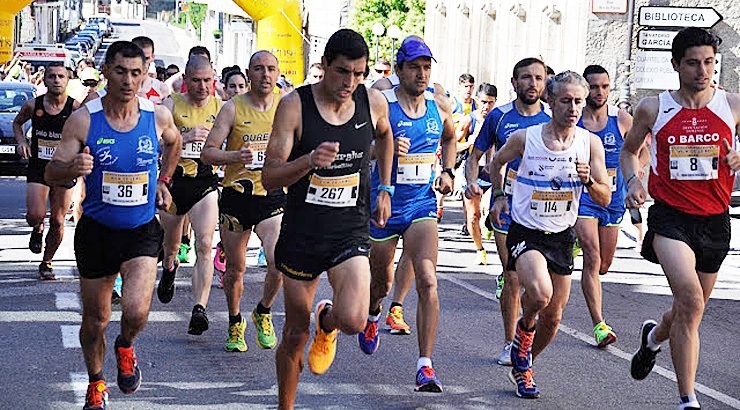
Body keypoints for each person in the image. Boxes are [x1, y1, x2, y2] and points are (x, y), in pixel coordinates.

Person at [44, 40, 180, 410]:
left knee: (135, 312)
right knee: (96, 320)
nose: (128, 80)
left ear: (144, 75)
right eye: (120, 71)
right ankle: (96, 383)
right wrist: (71, 170)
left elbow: (175, 142)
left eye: (136, 73)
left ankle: (126, 346)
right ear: (106, 72)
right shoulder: (85, 119)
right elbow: (51, 169)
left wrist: (164, 181)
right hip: (97, 232)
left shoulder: (158, 115)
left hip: (140, 230)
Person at [263, 29, 393, 410]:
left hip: (349, 230)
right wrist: (307, 161)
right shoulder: (294, 106)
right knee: (293, 334)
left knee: (353, 318)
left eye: (358, 74)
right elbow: (270, 176)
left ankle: (329, 322)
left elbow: (385, 136)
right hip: (303, 234)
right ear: (323, 67)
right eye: (341, 72)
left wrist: (384, 187)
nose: (349, 82)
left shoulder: (373, 103)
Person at [623, 27, 740, 410]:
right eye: (693, 63)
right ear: (676, 65)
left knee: (690, 309)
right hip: (671, 218)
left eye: (709, 62)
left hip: (715, 221)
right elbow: (629, 152)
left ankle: (654, 338)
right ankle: (688, 400)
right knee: (690, 299)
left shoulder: (733, 105)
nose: (702, 71)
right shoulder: (653, 108)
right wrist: (632, 181)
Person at [490, 70, 610, 398]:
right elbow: (496, 163)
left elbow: (605, 196)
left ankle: (525, 363)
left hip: (561, 235)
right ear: (551, 101)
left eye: (578, 102)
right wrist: (499, 196)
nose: (573, 108)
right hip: (526, 231)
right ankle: (523, 329)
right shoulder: (525, 138)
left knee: (554, 316)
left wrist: (589, 182)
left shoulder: (590, 144)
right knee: (540, 295)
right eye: (566, 101)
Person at [359, 38, 455, 392]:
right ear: (399, 70)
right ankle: (373, 315)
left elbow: (450, 138)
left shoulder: (437, 106)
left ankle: (425, 365)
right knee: (380, 282)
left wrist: (447, 171)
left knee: (428, 279)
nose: (422, 73)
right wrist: (380, 147)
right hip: (384, 204)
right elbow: (359, 146)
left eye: (427, 67)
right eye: (414, 67)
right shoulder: (382, 106)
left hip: (420, 205)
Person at [465, 57, 551, 366]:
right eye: (526, 77)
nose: (533, 83)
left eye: (538, 78)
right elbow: (475, 156)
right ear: (514, 83)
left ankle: (525, 328)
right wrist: (473, 182)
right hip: (507, 205)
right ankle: (509, 343)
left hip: (544, 209)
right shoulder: (499, 117)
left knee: (540, 287)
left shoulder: (555, 117)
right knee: (512, 276)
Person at [201, 50, 286, 352]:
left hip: (272, 195)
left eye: (271, 69)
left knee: (279, 259)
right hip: (237, 197)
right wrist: (234, 156)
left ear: (278, 74)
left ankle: (263, 310)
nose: (265, 75)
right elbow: (208, 152)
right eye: (259, 69)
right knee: (236, 269)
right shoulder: (232, 108)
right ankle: (235, 320)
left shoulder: (286, 105)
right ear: (249, 74)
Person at [156, 55, 222, 335]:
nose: (202, 86)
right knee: (171, 246)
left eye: (207, 80)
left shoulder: (222, 108)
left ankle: (200, 308)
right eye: (196, 80)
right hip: (174, 181)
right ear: (185, 79)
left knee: (205, 244)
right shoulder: (171, 105)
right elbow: (155, 145)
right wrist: (185, 136)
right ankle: (169, 268)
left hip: (204, 182)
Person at [574, 64, 633, 348]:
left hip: (614, 198)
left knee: (604, 265)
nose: (600, 92)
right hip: (584, 197)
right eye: (594, 87)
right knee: (593, 257)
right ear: (585, 89)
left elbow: (640, 151)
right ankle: (599, 324)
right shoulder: (575, 121)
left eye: (605, 86)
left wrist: (636, 179)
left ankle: (576, 244)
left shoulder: (621, 120)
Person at [13, 62, 80, 280]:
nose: (57, 80)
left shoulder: (75, 108)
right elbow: (17, 123)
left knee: (59, 220)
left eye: (61, 76)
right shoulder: (34, 105)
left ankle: (47, 262)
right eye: (52, 76)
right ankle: (37, 227)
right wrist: (21, 140)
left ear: (67, 80)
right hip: (39, 166)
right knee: (35, 215)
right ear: (45, 80)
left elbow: (89, 130)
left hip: (64, 169)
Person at [457, 83, 497, 265]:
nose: (485, 107)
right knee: (473, 216)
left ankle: (489, 224)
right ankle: (480, 249)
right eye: (482, 102)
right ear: (476, 100)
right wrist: (470, 142)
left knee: (490, 208)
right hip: (473, 171)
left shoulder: (499, 120)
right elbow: (452, 145)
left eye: (490, 102)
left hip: (494, 173)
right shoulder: (469, 120)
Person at [131, 36, 171, 104]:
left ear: (152, 57)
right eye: (138, 58)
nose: (142, 63)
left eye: (146, 58)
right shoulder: (120, 87)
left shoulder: (161, 88)